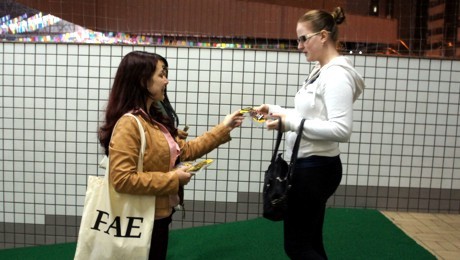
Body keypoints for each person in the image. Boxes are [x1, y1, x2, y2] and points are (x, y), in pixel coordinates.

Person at [98, 51, 245, 260]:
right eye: (161, 75)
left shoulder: (152, 120)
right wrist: (173, 179)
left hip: (158, 214)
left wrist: (224, 127)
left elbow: (186, 151)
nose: (166, 80)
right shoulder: (129, 124)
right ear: (143, 81)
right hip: (140, 218)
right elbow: (122, 179)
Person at [254, 7, 365, 260]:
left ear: (323, 36)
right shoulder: (321, 70)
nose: (299, 45)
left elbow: (341, 129)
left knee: (297, 247)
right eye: (298, 39)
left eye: (304, 38)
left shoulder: (336, 75)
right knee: (310, 241)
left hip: (315, 169)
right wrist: (276, 110)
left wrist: (289, 123)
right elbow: (312, 115)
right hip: (311, 166)